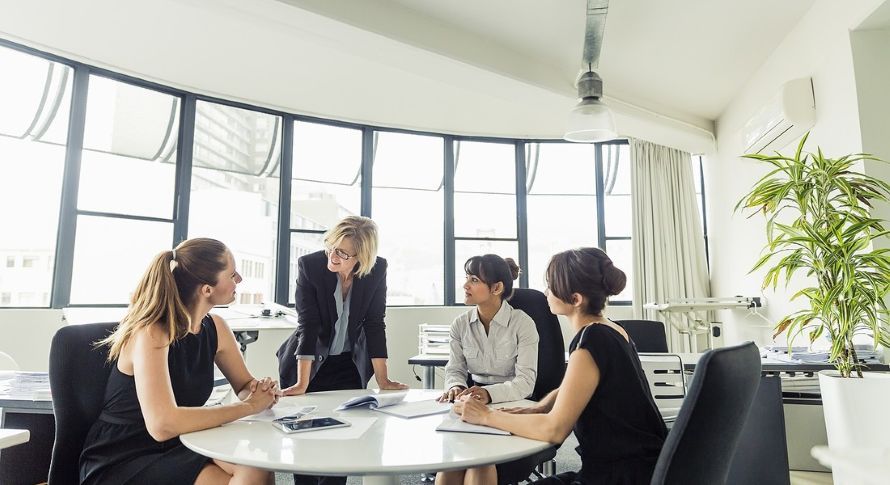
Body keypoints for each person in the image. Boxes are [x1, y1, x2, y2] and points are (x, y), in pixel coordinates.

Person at [454, 248, 668, 485]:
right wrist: (538, 408)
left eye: (551, 285)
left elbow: (554, 430)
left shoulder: (590, 343)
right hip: (641, 468)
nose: (546, 292)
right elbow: (574, 386)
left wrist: (486, 415)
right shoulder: (611, 329)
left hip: (618, 477)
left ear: (575, 299)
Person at [79, 238, 278, 485]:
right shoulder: (153, 332)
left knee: (258, 468)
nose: (239, 280)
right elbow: (161, 425)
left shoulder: (216, 327)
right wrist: (249, 407)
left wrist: (259, 391)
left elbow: (244, 386)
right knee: (247, 476)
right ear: (207, 289)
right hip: (125, 454)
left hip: (182, 440)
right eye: (233, 274)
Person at [277, 216, 406, 485]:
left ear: (362, 256)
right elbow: (308, 325)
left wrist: (383, 379)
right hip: (307, 363)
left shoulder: (377, 268)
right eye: (330, 247)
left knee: (342, 444)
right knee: (306, 446)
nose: (332, 256)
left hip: (348, 364)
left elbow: (374, 323)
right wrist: (302, 382)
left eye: (342, 253)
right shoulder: (310, 265)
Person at [436, 254, 539, 485]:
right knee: (450, 468)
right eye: (466, 278)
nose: (465, 285)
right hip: (471, 402)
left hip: (512, 404)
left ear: (497, 287)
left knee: (479, 463)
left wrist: (489, 393)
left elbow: (525, 382)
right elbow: (454, 368)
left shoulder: (522, 324)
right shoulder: (460, 324)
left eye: (473, 279)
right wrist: (456, 386)